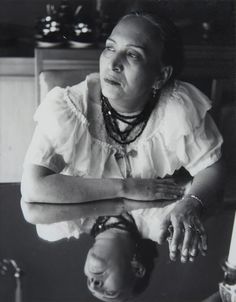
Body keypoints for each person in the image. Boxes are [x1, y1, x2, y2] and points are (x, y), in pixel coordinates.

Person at [21, 2, 224, 300]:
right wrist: (131, 188)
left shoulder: (177, 107)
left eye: (132, 54)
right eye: (110, 48)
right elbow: (33, 187)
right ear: (137, 269)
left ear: (160, 75)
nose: (112, 63)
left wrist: (191, 203)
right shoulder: (68, 108)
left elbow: (212, 166)